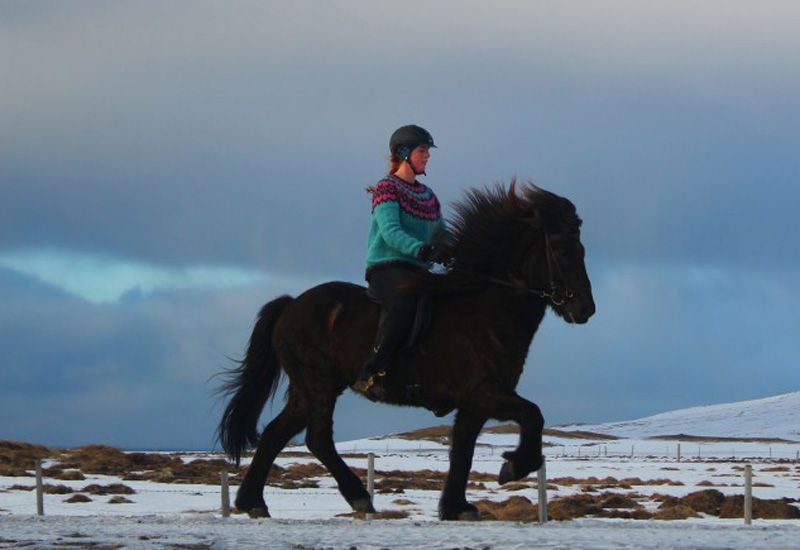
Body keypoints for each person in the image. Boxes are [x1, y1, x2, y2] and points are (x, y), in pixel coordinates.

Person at [354, 125, 452, 399]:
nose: (427, 156)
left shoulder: (428, 196)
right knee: (403, 303)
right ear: (404, 153)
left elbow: (442, 231)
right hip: (387, 267)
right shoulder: (387, 188)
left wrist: (456, 250)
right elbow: (391, 232)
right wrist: (422, 250)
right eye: (422, 150)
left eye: (428, 151)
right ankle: (371, 372)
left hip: (418, 270)